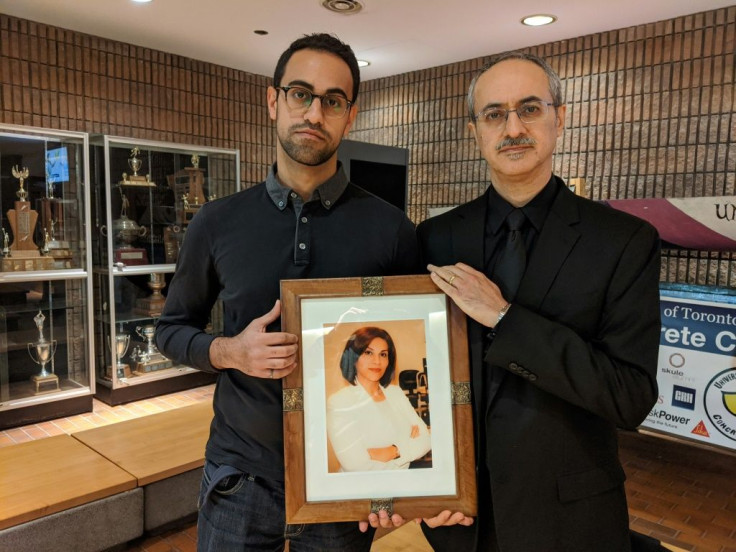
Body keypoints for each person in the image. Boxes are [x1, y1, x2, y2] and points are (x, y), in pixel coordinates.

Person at [155, 33, 418, 551]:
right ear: (273, 99)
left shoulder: (391, 229)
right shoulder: (216, 221)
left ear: (350, 115)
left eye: (332, 100)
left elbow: (415, 344)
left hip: (346, 474)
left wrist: (407, 482)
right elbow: (170, 331)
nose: (314, 112)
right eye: (301, 93)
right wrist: (229, 351)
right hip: (241, 476)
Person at [417, 51, 662, 551]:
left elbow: (630, 396)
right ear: (475, 132)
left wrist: (505, 319)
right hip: (459, 519)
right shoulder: (433, 240)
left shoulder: (622, 240)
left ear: (560, 118)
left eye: (530, 109)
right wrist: (420, 481)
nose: (513, 128)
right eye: (494, 114)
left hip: (571, 519)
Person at [326, 326, 431, 471]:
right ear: (353, 358)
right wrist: (407, 446)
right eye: (368, 352)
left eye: (383, 354)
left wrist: (393, 451)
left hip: (402, 486)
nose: (377, 361)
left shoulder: (396, 393)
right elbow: (356, 466)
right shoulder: (339, 402)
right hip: (359, 490)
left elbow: (426, 439)